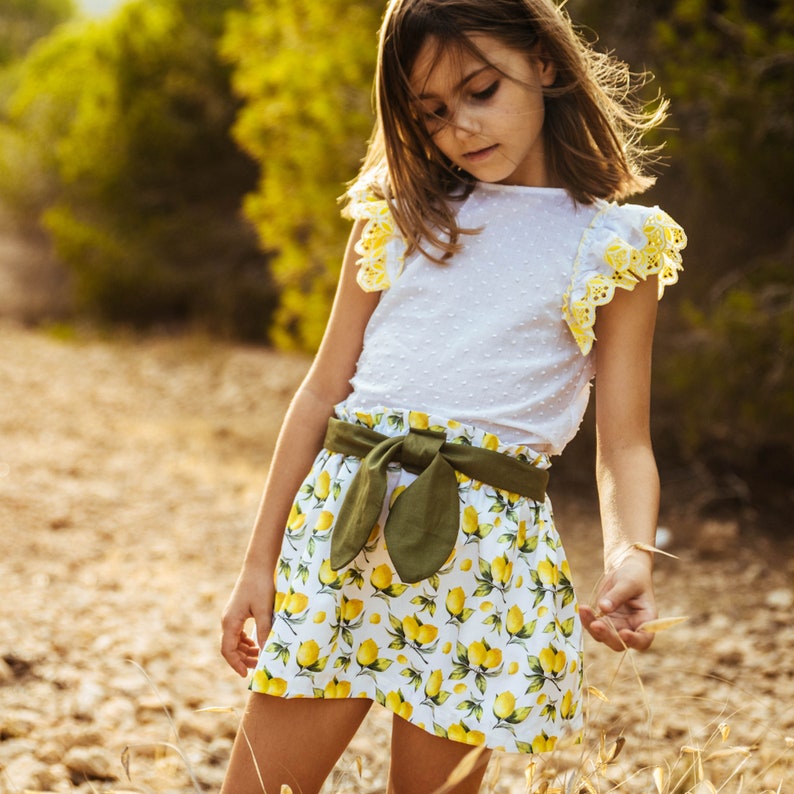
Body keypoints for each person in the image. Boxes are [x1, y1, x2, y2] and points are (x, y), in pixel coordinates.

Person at [219, 0, 686, 791]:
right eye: (432, 112)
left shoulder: (615, 245)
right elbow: (321, 394)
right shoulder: (396, 216)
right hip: (345, 529)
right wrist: (256, 565)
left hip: (487, 560)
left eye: (479, 90)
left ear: (544, 62)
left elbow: (625, 444)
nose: (461, 127)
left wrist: (628, 556)